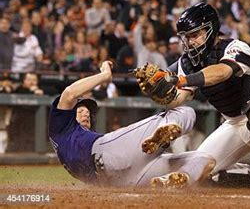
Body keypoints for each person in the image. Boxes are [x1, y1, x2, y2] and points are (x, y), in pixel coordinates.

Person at [141, 3, 250, 193]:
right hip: (235, 122)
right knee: (201, 170)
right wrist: (159, 94)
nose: (189, 42)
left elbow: (221, 72)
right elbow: (178, 98)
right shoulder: (187, 62)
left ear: (211, 30)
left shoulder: (235, 46)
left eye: (194, 35)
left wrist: (180, 79)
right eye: (186, 37)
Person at [48, 60, 215, 188]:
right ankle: (166, 130)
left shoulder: (75, 140)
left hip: (119, 177)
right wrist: (105, 74)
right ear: (68, 116)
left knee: (205, 159)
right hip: (109, 161)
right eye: (80, 110)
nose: (86, 113)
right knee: (185, 112)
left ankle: (173, 180)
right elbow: (69, 93)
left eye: (87, 112)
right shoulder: (60, 128)